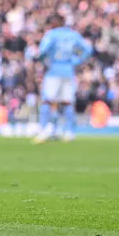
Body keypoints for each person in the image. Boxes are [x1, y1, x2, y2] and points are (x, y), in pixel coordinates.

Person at [34, 14, 93, 144]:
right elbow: (88, 49)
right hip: (68, 71)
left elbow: (42, 52)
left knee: (47, 101)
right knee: (67, 102)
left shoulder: (51, 35)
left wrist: (44, 61)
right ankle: (70, 132)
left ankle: (45, 129)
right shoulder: (73, 35)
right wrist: (76, 61)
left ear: (57, 22)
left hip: (54, 71)